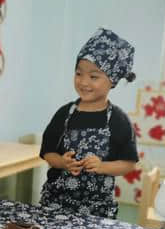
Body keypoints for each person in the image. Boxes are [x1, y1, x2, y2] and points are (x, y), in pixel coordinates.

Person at [39, 28, 139, 219]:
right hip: (56, 203)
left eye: (94, 76)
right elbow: (48, 152)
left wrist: (102, 167)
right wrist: (62, 162)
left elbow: (128, 164)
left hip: (97, 209)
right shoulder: (64, 114)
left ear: (112, 80)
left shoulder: (118, 120)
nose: (84, 82)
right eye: (78, 73)